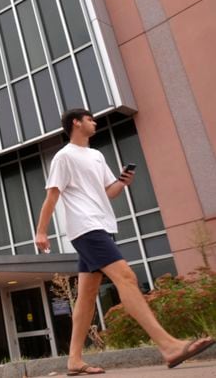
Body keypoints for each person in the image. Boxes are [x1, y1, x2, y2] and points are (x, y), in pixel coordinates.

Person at [35, 109, 214, 376]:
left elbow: (109, 192)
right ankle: (168, 346)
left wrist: (122, 181)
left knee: (86, 296)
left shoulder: (96, 155)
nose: (94, 122)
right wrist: (41, 231)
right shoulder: (64, 157)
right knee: (127, 278)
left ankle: (73, 359)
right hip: (86, 227)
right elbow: (52, 195)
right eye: (90, 119)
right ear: (76, 122)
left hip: (102, 225)